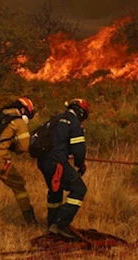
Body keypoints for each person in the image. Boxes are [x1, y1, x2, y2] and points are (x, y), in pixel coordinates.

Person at [37, 98, 89, 238]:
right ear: (81, 113)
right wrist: (80, 165)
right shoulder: (74, 122)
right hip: (57, 163)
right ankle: (60, 224)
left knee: (56, 191)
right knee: (79, 189)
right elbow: (79, 150)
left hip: (43, 162)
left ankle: (52, 225)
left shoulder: (55, 119)